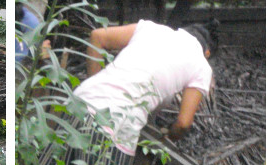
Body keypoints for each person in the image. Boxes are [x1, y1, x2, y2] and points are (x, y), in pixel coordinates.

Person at [75, 19, 217, 156]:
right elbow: (183, 123)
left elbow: (97, 36)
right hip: (117, 122)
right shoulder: (201, 65)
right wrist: (168, 137)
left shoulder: (150, 28)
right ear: (207, 53)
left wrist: (95, 87)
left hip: (79, 101)